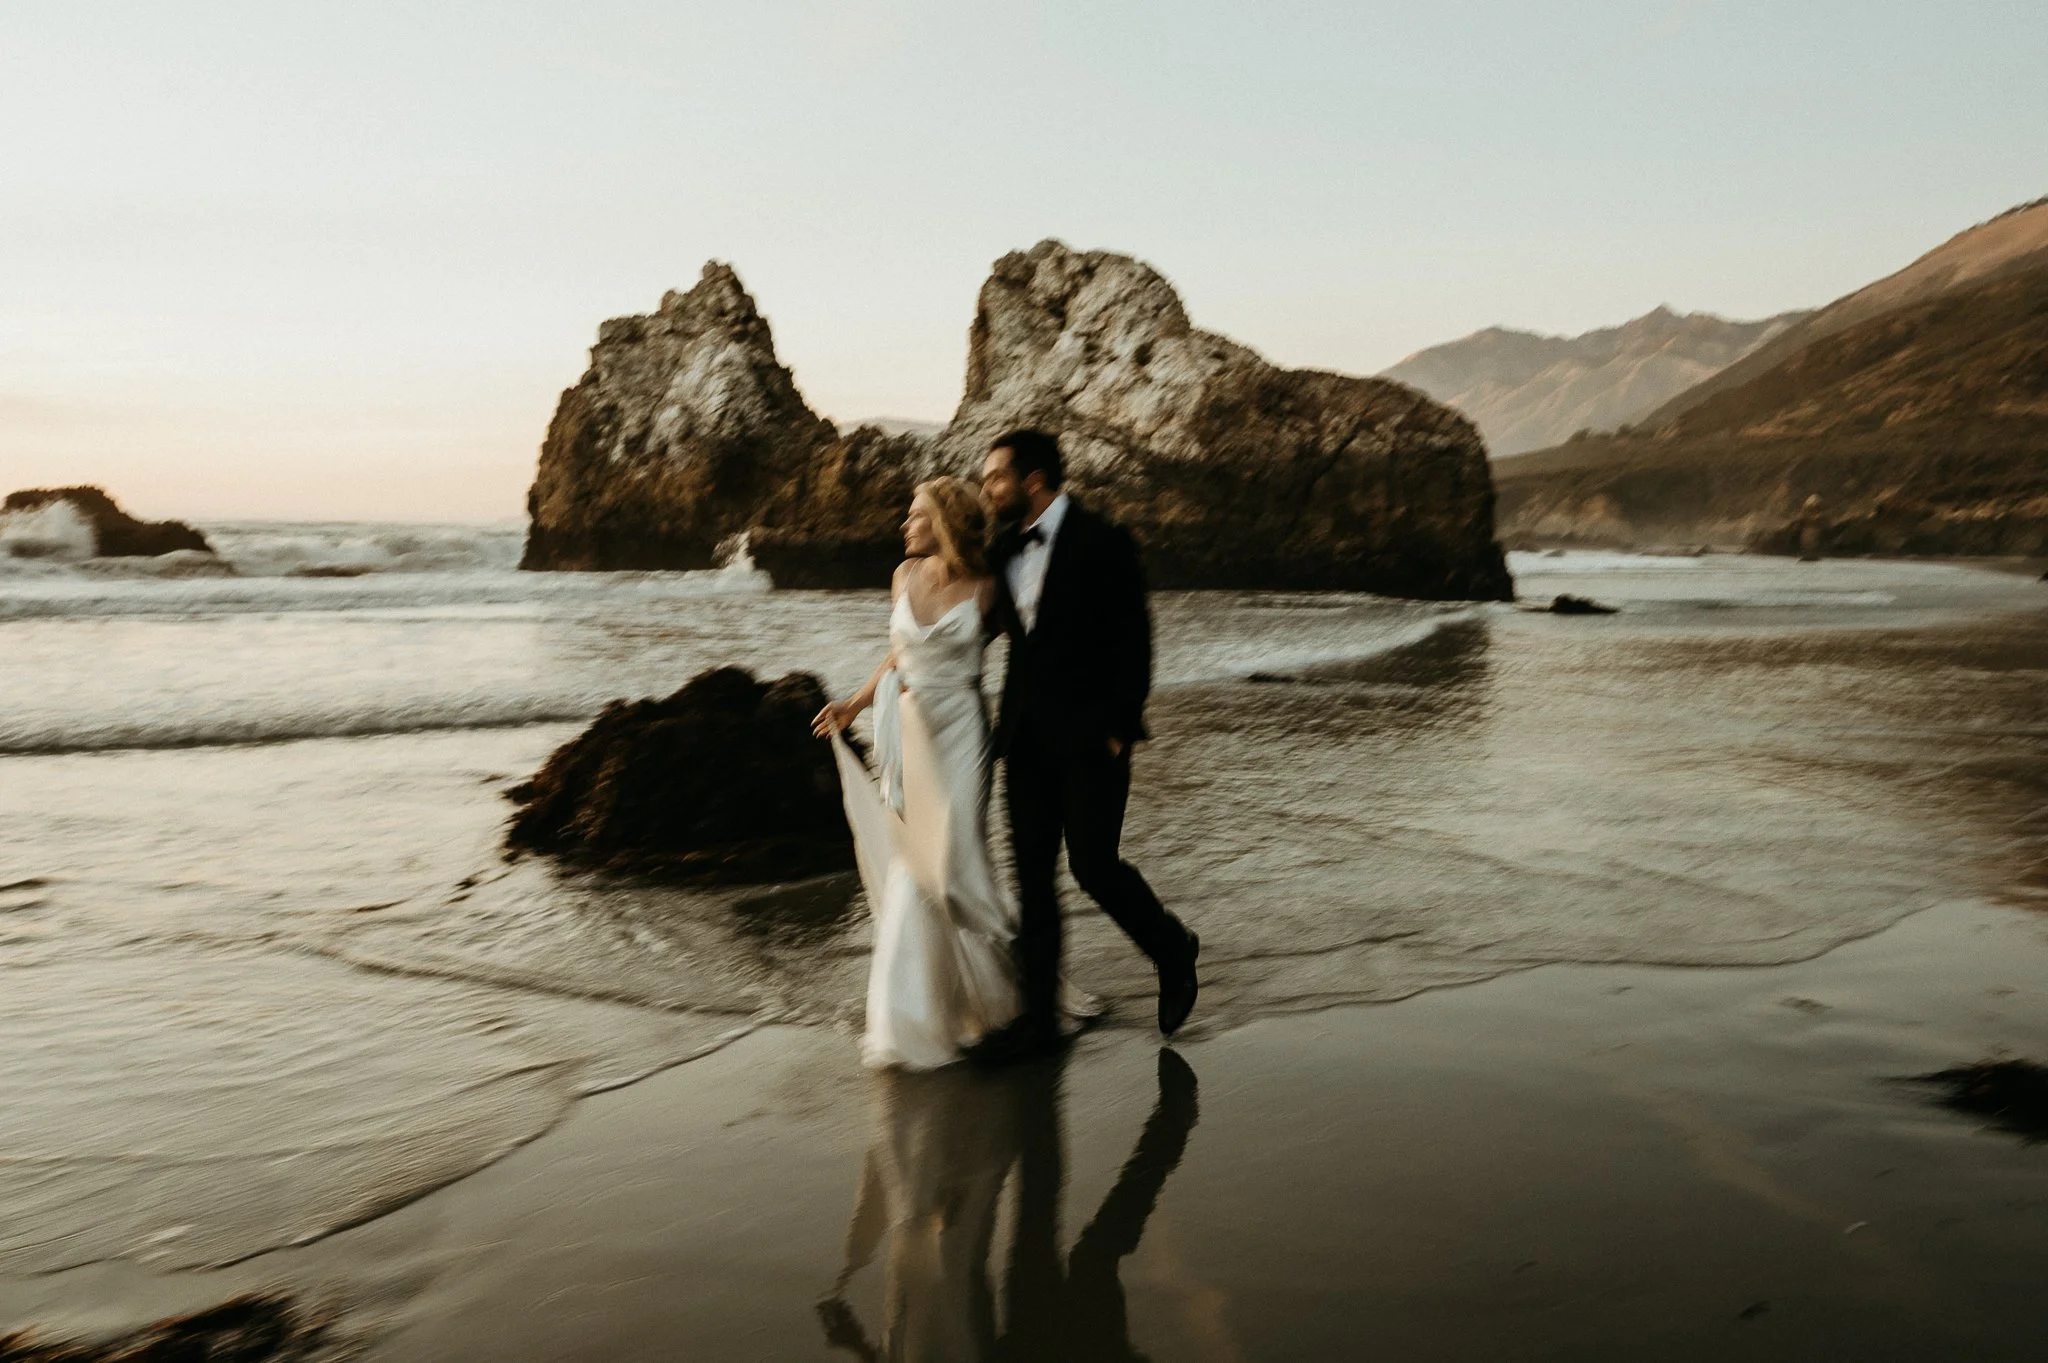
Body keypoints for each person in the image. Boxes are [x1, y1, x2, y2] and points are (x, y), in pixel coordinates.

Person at [971, 429, 1199, 1066]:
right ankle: (1039, 1022)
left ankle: (1173, 950)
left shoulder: (1104, 541)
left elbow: (1135, 639)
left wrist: (1121, 726)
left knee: (1093, 866)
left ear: (1033, 479)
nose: (988, 489)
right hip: (1023, 739)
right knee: (1033, 882)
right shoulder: (1002, 548)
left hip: (1092, 736)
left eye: (996, 477)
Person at [813, 477, 1021, 1069]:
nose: (904, 525)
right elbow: (899, 656)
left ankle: (1011, 962)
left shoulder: (987, 589)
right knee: (914, 868)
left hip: (963, 731)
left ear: (945, 522)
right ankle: (913, 1018)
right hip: (907, 732)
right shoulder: (903, 578)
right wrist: (853, 704)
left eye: (915, 515)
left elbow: (1037, 651)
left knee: (954, 860)